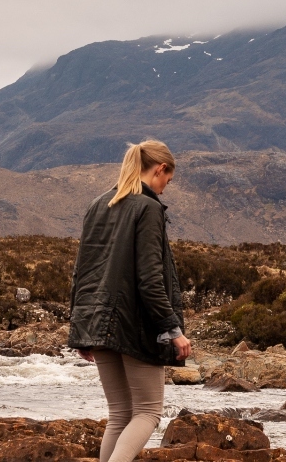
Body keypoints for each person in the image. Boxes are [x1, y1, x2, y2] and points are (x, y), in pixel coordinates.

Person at [68, 140, 192, 462]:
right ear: (160, 168)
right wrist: (172, 328)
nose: (165, 188)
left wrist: (82, 330)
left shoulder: (98, 204)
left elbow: (82, 272)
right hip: (134, 324)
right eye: (168, 179)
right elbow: (150, 280)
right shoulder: (147, 208)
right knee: (149, 413)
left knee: (121, 414)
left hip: (96, 321)